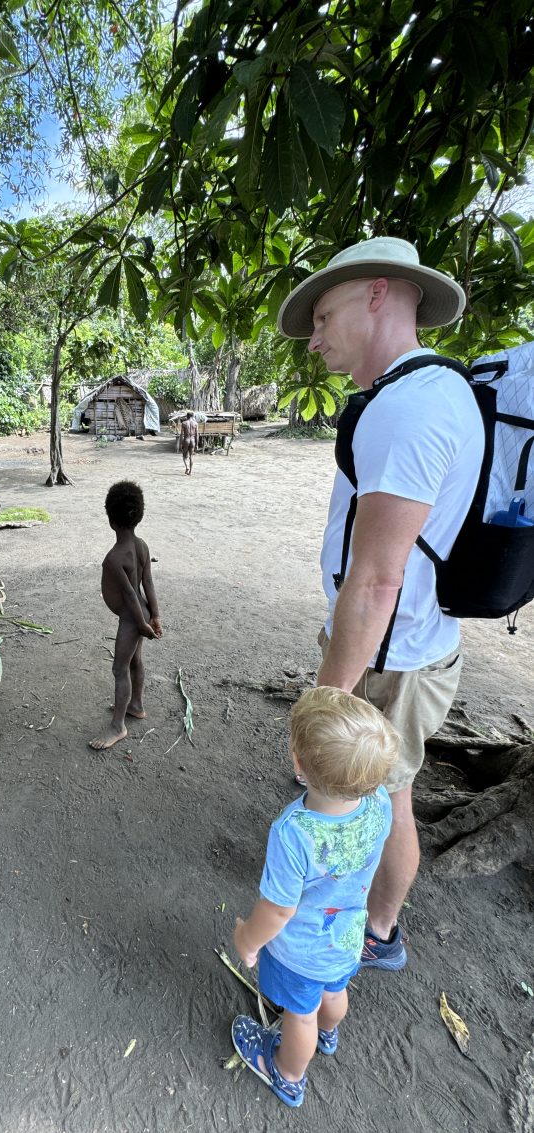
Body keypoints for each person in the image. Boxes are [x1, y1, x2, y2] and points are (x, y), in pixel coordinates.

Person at [276, 237, 484, 969]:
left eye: (324, 315)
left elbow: (376, 581)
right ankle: (371, 918)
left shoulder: (409, 406)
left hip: (391, 654)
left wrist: (322, 706)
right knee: (385, 790)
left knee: (388, 793)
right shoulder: (424, 391)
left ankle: (379, 931)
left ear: (377, 292)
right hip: (405, 642)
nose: (317, 338)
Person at [232, 685, 399, 1108]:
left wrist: (248, 940)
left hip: (301, 949)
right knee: (333, 991)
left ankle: (287, 1074)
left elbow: (279, 907)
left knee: (299, 1015)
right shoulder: (379, 801)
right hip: (346, 937)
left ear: (299, 764)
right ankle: (329, 1033)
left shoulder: (294, 833)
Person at [89, 480, 162, 750]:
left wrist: (142, 623)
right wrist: (155, 615)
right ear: (138, 515)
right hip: (139, 615)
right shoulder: (142, 546)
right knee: (135, 662)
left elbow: (131, 595)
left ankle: (118, 726)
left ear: (110, 519)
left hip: (131, 619)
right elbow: (148, 584)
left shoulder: (114, 557)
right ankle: (136, 704)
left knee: (120, 668)